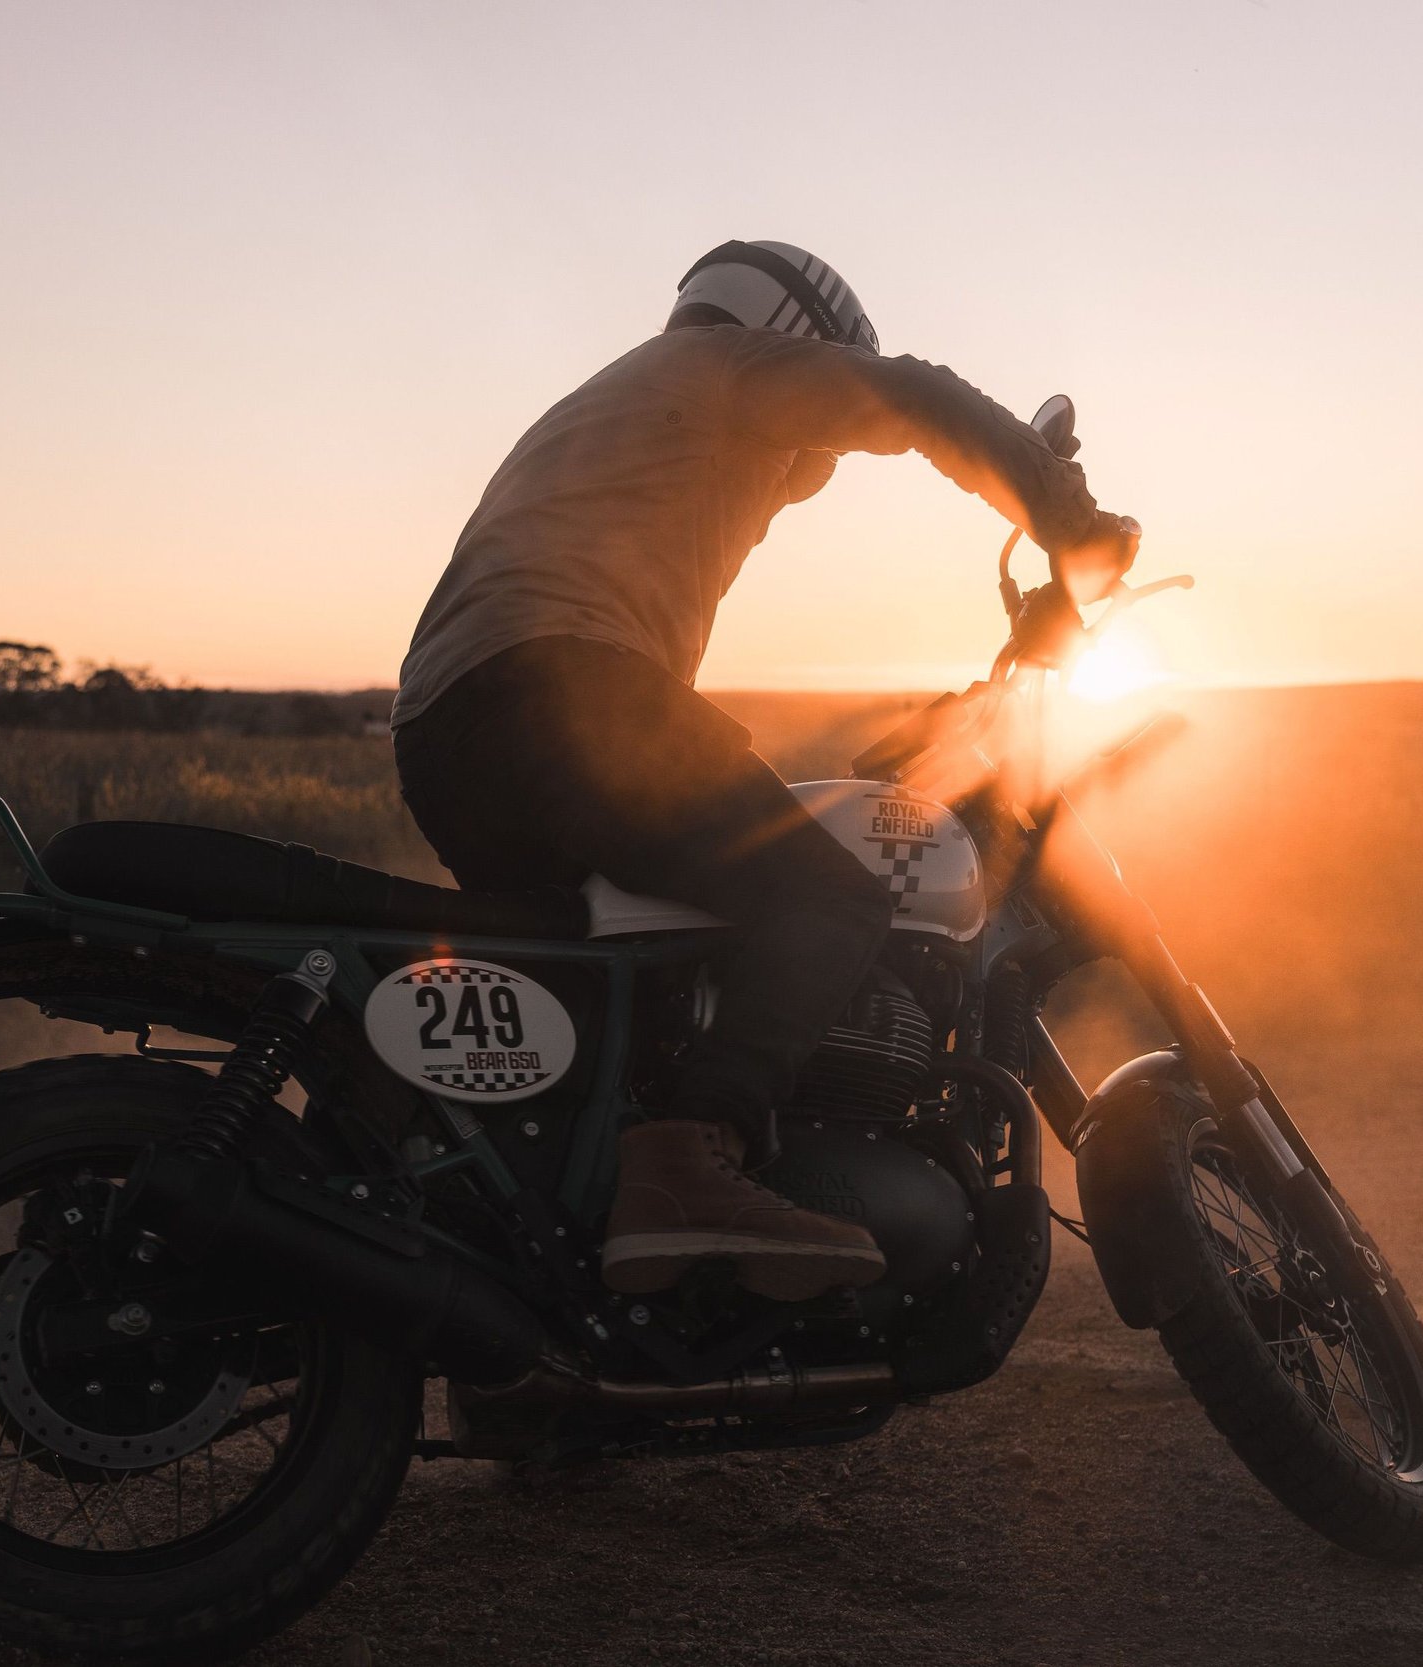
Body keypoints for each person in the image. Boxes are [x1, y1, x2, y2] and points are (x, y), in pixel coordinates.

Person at [391, 240, 1135, 1301]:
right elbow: (915, 399)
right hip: (564, 688)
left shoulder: (614, 404)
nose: (808, 470)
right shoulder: (734, 368)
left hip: (449, 729)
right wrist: (1066, 520)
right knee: (823, 894)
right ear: (794, 334)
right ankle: (689, 1167)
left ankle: (535, 1325)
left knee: (607, 1006)